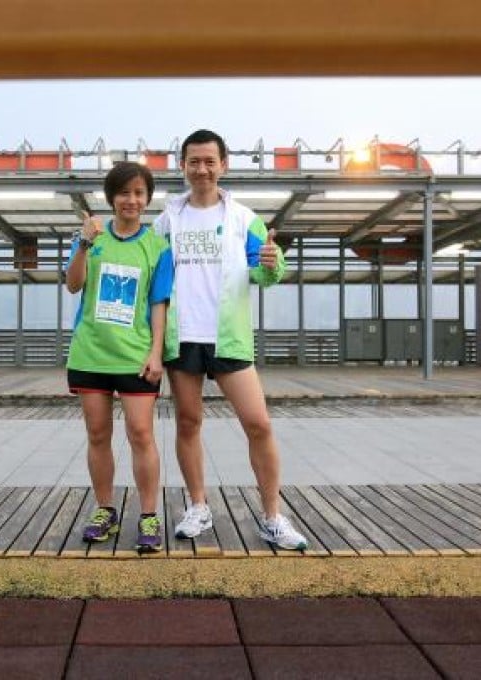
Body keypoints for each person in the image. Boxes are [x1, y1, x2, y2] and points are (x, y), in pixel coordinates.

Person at [152, 129, 308, 551]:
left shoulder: (244, 218)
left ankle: (272, 516)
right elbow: (155, 279)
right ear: (182, 166)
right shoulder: (167, 220)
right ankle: (198, 506)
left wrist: (273, 264)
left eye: (209, 161)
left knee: (258, 424)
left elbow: (265, 272)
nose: (201, 169)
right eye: (193, 161)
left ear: (223, 165)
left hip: (229, 337)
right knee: (188, 423)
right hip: (183, 338)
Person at [66, 161, 173, 553]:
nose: (132, 200)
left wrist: (156, 353)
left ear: (148, 199)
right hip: (90, 354)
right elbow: (73, 285)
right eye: (124, 192)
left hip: (135, 357)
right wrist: (83, 244)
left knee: (141, 434)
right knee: (98, 435)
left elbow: (159, 304)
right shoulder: (90, 238)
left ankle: (148, 515)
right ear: (111, 198)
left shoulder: (158, 247)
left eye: (139, 193)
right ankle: (105, 510)